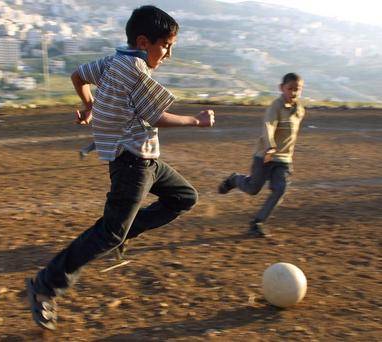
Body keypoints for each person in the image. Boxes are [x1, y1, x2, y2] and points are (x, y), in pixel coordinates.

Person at [26, 5, 215, 330]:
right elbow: (157, 117)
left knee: (184, 197)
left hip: (145, 161)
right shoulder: (136, 70)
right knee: (109, 232)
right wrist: (195, 121)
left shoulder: (113, 60)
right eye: (166, 45)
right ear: (144, 41)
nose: (168, 54)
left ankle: (127, 231)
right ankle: (46, 284)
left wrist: (90, 106)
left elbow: (78, 75)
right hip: (133, 164)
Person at [218, 73, 306, 237]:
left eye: (298, 89)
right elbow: (269, 126)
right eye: (290, 89)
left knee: (280, 189)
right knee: (253, 189)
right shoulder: (275, 107)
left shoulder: (300, 110)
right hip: (266, 155)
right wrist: (270, 146)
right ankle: (234, 179)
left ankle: (257, 223)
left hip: (284, 159)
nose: (294, 92)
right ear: (281, 88)